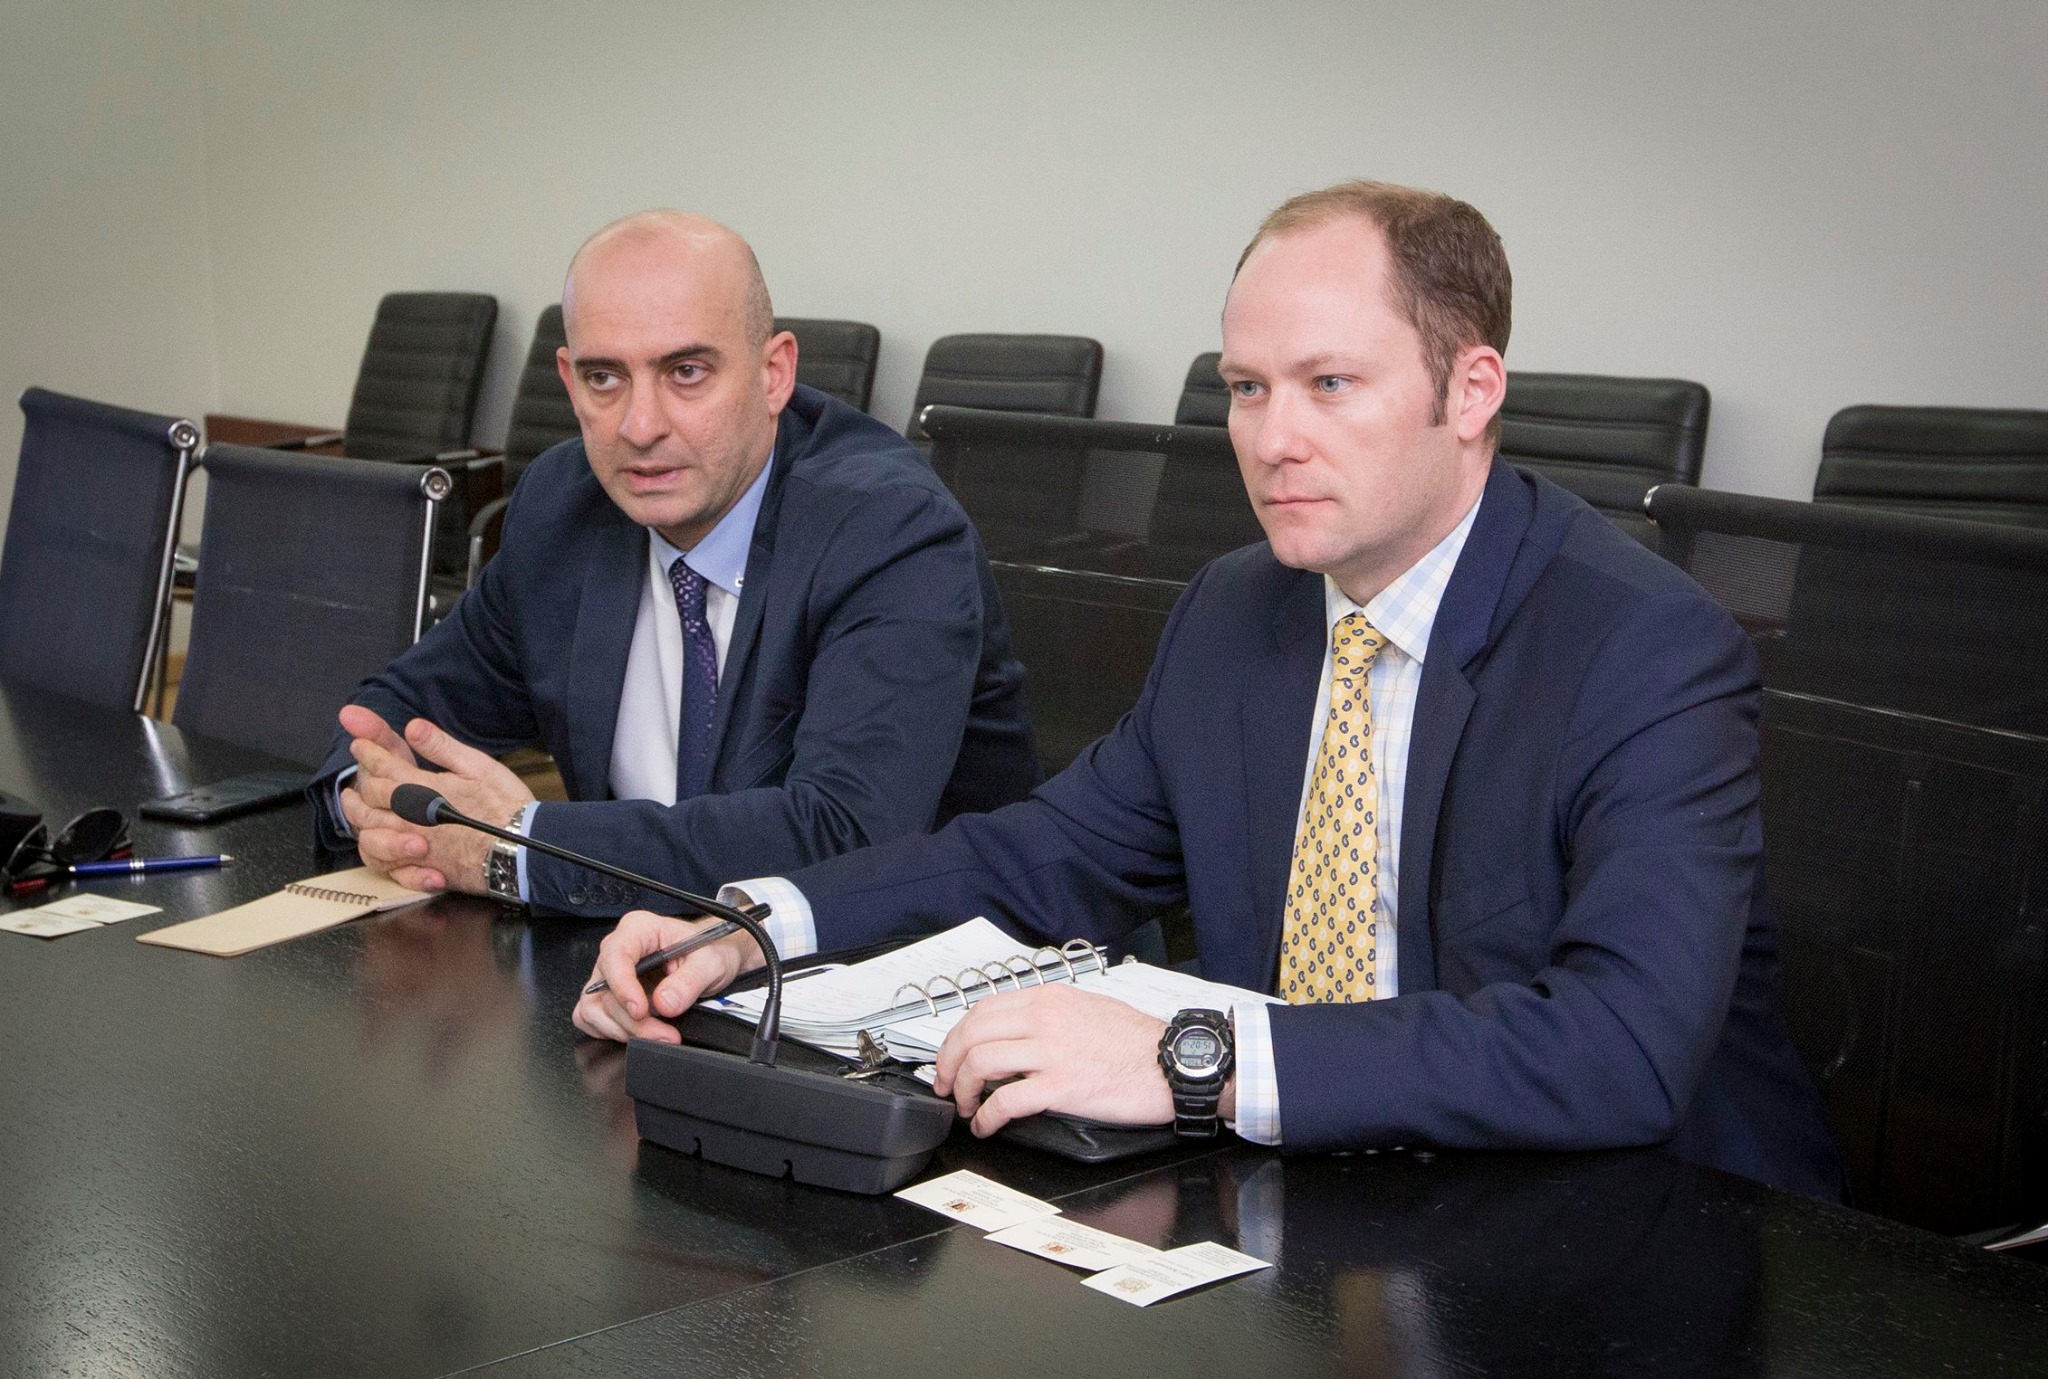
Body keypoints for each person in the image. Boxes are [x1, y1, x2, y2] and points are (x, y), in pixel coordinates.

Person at [574, 182, 1842, 1199]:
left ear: (1469, 391)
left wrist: (1200, 1062)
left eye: (1328, 384)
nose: (1270, 439)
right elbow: (1045, 853)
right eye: (1245, 387)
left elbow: (1621, 1045)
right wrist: (753, 926)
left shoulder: (1643, 649)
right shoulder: (1240, 607)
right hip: (1317, 1206)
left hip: (1625, 1231)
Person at [314, 211, 1040, 916]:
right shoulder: (565, 505)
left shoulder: (887, 529)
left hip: (908, 966)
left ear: (774, 373)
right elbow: (402, 711)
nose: (640, 426)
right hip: (635, 955)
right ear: (569, 382)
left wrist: (524, 847)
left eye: (686, 371)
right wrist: (368, 801)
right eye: (605, 378)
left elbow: (842, 835)